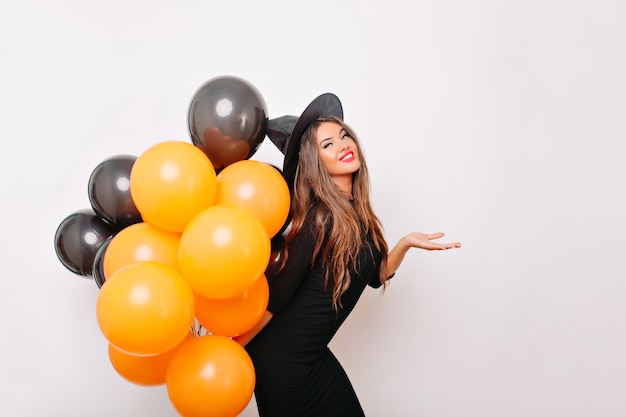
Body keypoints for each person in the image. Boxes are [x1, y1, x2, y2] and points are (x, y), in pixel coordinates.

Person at [234, 93, 461, 416]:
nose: (342, 145)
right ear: (316, 162)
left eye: (344, 135)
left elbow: (376, 275)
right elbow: (276, 298)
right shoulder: (319, 220)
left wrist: (405, 243)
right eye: (328, 145)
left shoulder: (358, 216)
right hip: (282, 363)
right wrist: (230, 351)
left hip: (311, 358)